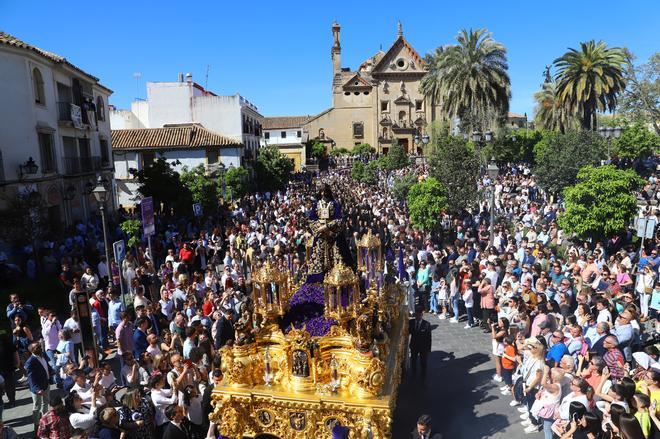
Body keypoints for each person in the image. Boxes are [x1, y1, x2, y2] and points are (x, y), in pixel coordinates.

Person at [25, 342, 51, 431]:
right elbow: (31, 378)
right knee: (37, 406)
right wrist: (37, 389)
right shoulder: (30, 362)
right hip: (37, 388)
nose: (40, 348)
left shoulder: (43, 355)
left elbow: (46, 366)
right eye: (37, 347)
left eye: (40, 346)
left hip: (46, 384)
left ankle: (46, 421)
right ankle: (37, 426)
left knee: (45, 404)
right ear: (32, 350)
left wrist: (52, 372)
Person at [408, 308, 432, 382]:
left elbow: (429, 338)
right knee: (413, 361)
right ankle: (413, 374)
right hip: (414, 346)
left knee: (423, 362)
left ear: (422, 315)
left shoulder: (427, 324)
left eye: (419, 315)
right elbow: (407, 332)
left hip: (423, 347)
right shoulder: (410, 322)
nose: (418, 317)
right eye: (417, 315)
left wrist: (428, 349)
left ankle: (423, 377)